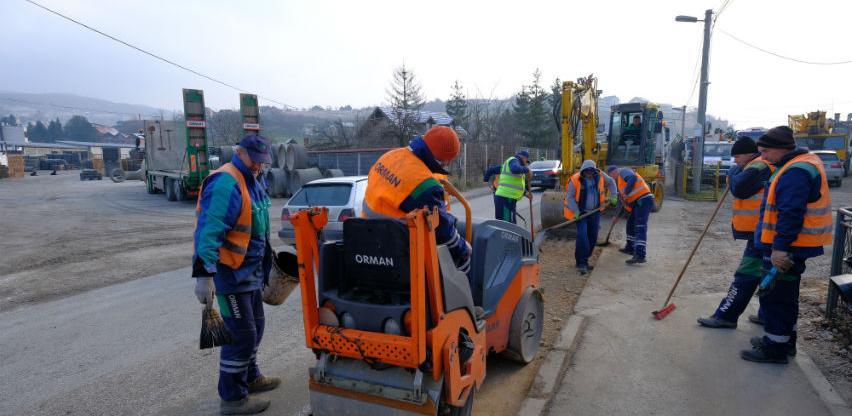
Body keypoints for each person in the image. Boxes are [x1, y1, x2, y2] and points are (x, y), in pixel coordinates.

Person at [192, 134, 280, 414]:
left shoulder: (253, 180)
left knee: (256, 329)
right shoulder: (226, 182)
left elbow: (257, 228)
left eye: (262, 161)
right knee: (241, 336)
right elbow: (209, 231)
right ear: (239, 152)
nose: (258, 165)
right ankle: (232, 399)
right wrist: (204, 275)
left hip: (250, 273)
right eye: (254, 159)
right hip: (229, 274)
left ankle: (250, 377)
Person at [741, 126, 832, 364]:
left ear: (780, 149)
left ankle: (774, 348)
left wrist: (779, 248)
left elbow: (790, 213)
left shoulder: (795, 171)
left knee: (776, 298)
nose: (763, 157)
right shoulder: (799, 164)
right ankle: (784, 341)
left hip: (788, 246)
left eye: (765, 151)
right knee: (786, 296)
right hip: (794, 244)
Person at [363, 126, 471, 272]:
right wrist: (464, 249)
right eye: (449, 160)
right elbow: (443, 233)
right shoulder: (425, 186)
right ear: (443, 160)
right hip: (399, 253)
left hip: (367, 240)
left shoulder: (389, 157)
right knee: (463, 260)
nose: (448, 164)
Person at [697, 137, 774, 328]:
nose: (735, 161)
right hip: (764, 230)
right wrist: (736, 173)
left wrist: (732, 174)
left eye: (737, 157)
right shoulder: (759, 164)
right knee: (768, 275)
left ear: (748, 154)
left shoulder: (758, 166)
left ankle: (726, 316)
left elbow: (739, 188)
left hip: (763, 232)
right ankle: (767, 315)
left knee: (747, 273)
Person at [563, 160, 617, 274]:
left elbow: (611, 182)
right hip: (581, 213)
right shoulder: (575, 179)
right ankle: (581, 263)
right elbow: (569, 197)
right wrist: (576, 211)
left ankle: (585, 260)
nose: (589, 173)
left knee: (593, 237)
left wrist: (614, 195)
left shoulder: (600, 175)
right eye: (587, 171)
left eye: (591, 171)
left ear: (594, 170)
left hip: (595, 212)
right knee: (582, 237)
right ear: (583, 170)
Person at [607, 165, 654, 264]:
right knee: (630, 223)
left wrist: (625, 192)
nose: (612, 178)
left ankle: (640, 254)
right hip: (637, 202)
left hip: (644, 199)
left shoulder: (623, 171)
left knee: (640, 226)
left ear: (614, 172)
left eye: (611, 176)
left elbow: (633, 178)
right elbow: (621, 202)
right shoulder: (620, 182)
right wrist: (616, 216)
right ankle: (630, 247)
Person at [494, 150, 533, 223]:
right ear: (524, 158)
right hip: (506, 198)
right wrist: (527, 170)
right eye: (526, 161)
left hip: (506, 198)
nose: (526, 164)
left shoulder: (516, 163)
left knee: (504, 224)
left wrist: (525, 193)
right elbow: (514, 169)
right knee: (508, 225)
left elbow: (513, 183)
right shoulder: (514, 160)